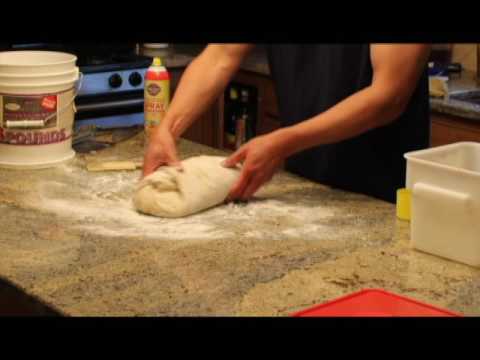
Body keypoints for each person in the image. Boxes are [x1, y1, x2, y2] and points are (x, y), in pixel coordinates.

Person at [143, 44, 431, 203]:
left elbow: (389, 97)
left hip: (381, 200)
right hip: (306, 191)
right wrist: (168, 128)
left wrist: (285, 142)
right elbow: (219, 56)